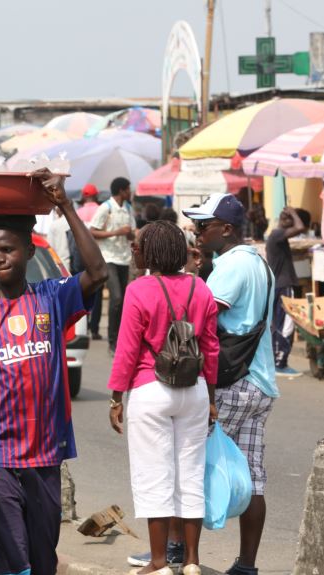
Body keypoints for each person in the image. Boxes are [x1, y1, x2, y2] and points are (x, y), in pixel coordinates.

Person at [0, 169, 107, 575]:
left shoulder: (53, 298)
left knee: (42, 562)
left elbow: (99, 273)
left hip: (44, 456)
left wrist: (65, 205)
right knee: (14, 561)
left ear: (29, 253)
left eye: (8, 250)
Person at [109, 221, 219, 575]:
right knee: (190, 476)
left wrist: (116, 398)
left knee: (153, 476)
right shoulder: (200, 289)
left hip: (150, 389)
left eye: (138, 245)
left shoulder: (140, 290)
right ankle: (191, 561)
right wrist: (212, 396)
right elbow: (211, 349)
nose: (133, 249)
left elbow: (126, 350)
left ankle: (158, 564)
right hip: (195, 389)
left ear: (153, 252)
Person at [183, 193, 276, 575]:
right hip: (260, 382)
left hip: (229, 383)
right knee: (253, 477)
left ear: (227, 229)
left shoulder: (232, 267)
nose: (197, 232)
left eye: (203, 227)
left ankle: (176, 555)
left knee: (186, 464)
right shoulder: (259, 263)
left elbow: (204, 320)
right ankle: (246, 565)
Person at [90, 177, 136, 355]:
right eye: (128, 189)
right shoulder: (106, 207)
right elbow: (92, 231)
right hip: (108, 258)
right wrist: (116, 232)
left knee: (122, 301)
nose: (130, 192)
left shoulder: (128, 208)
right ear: (121, 190)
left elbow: (131, 234)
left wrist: (130, 234)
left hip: (124, 258)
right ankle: (112, 341)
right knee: (116, 298)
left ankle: (119, 339)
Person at [266, 207, 310, 377]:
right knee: (286, 325)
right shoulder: (277, 234)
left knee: (278, 324)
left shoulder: (276, 236)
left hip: (279, 285)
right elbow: (300, 228)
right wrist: (292, 212)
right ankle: (280, 363)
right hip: (284, 286)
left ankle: (276, 361)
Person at [78, 184, 104, 339]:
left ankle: (83, 324)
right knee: (98, 292)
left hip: (81, 256)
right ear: (96, 195)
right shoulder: (101, 210)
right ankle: (94, 329)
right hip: (98, 256)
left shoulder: (78, 212)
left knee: (82, 290)